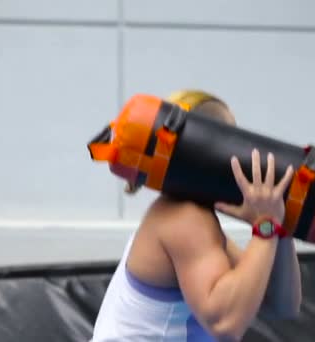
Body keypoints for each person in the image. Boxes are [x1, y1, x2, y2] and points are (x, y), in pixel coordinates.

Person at [91, 90, 302, 341]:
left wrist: (279, 225)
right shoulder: (185, 219)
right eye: (232, 143)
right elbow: (225, 325)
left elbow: (280, 305)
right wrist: (266, 225)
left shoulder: (191, 218)